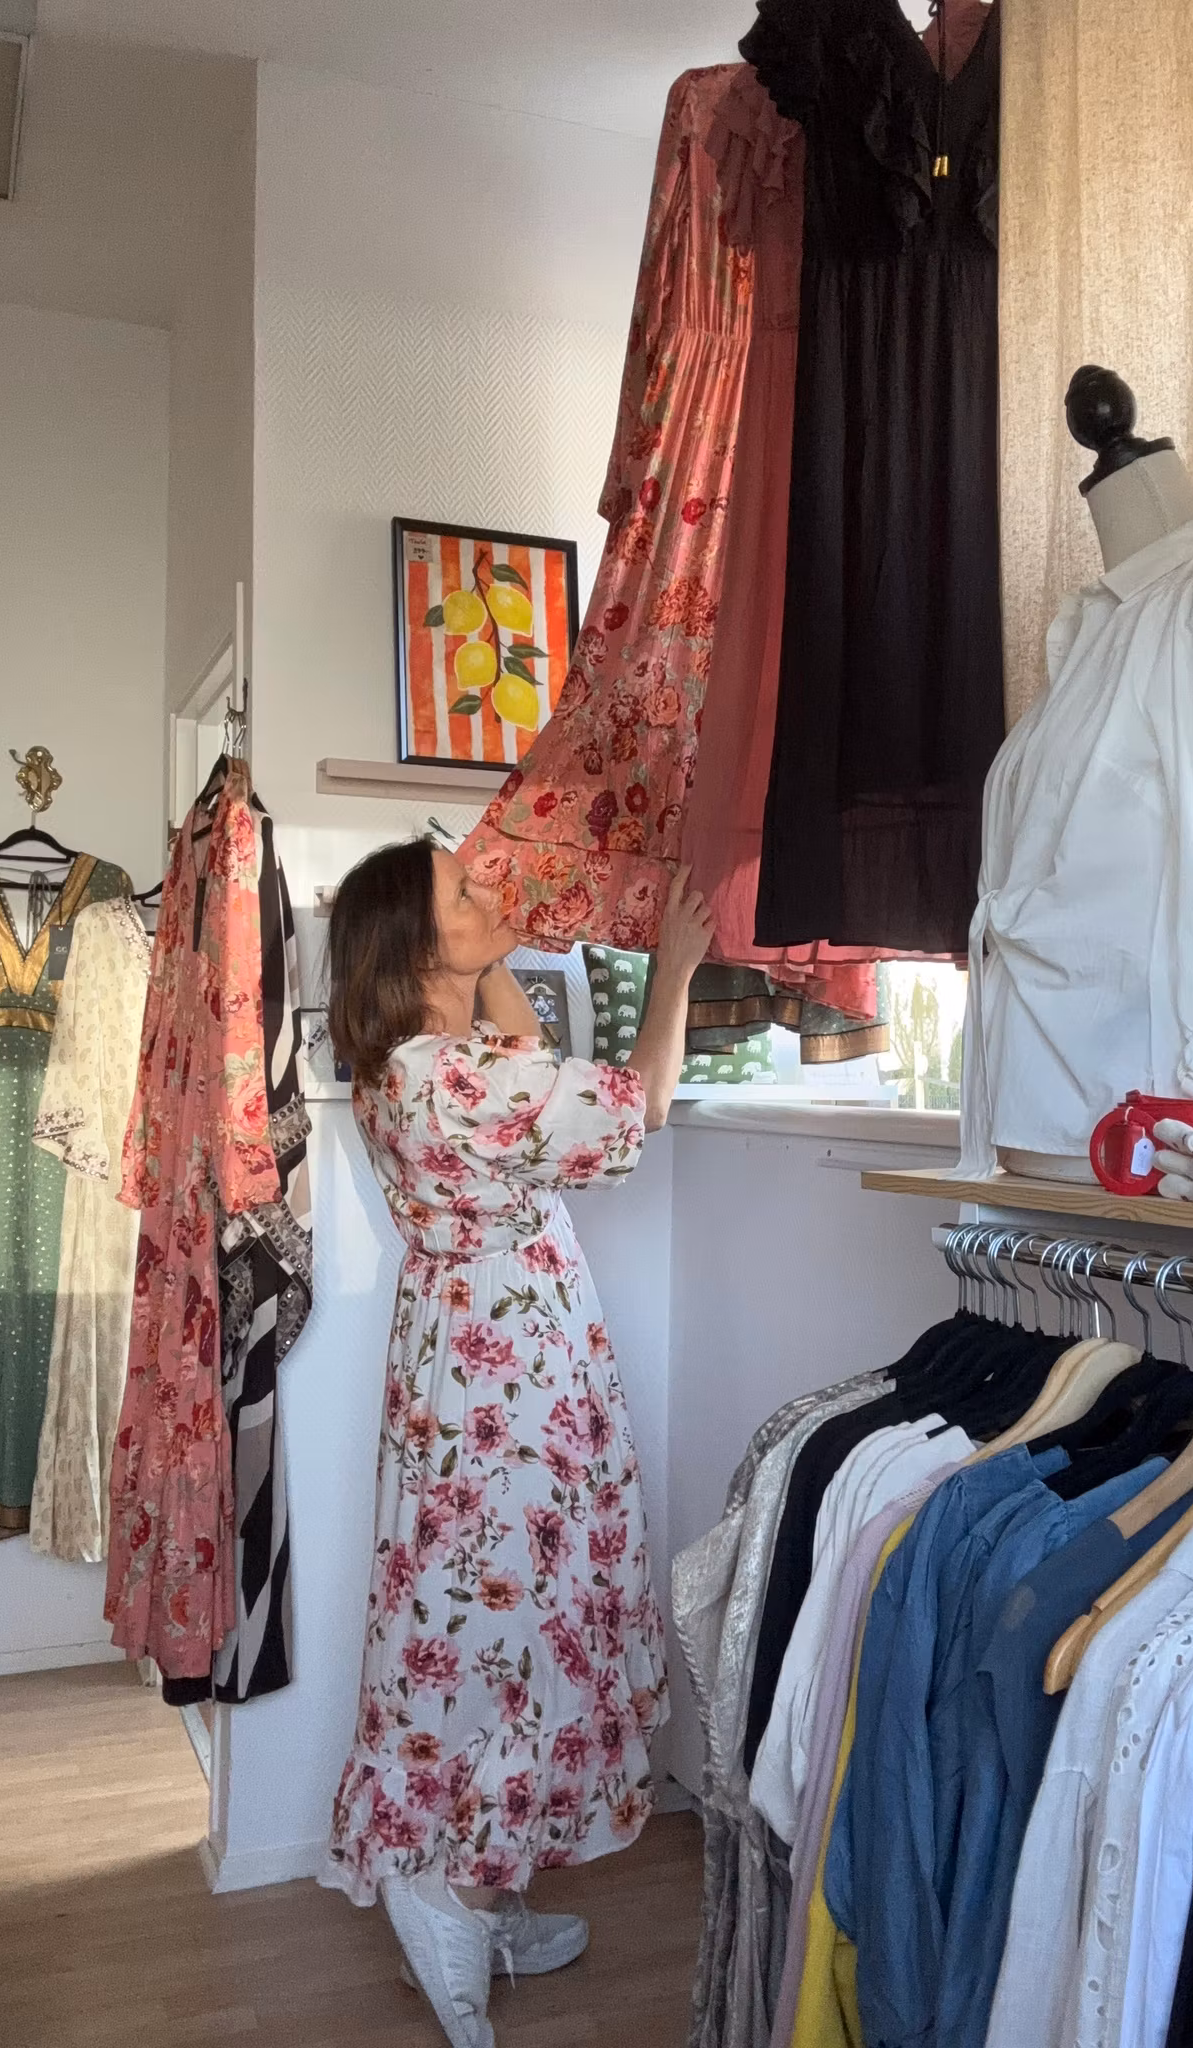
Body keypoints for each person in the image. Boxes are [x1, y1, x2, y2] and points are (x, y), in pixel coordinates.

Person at [321, 839, 713, 2047]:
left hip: (484, 1354)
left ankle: (480, 1881)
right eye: (461, 892)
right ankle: (450, 1892)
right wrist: (675, 968)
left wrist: (493, 949)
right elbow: (640, 1105)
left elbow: (529, 1055)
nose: (487, 893)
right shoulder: (444, 1077)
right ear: (413, 946)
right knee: (509, 1622)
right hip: (504, 1371)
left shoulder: (426, 1064)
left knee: (491, 1620)